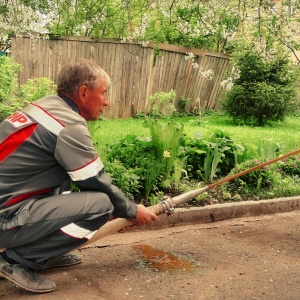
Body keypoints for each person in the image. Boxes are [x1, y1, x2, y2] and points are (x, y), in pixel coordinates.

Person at [0, 58, 157, 293]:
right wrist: (132, 211)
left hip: (9, 206)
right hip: (6, 219)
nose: (108, 102)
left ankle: (44, 254)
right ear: (84, 92)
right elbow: (95, 181)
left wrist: (121, 209)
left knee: (71, 185)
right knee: (101, 205)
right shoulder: (69, 124)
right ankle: (15, 260)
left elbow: (78, 177)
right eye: (103, 93)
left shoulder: (43, 107)